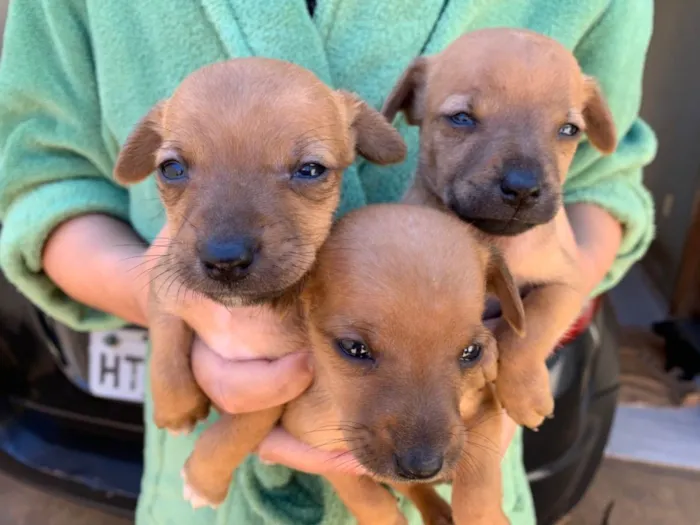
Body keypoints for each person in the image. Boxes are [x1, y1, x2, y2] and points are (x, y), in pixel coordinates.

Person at [0, 1, 656, 524]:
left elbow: (609, 186)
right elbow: (45, 180)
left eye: (310, 169)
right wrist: (167, 306)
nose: (226, 247)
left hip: (460, 459)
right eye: (173, 169)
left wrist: (514, 337)